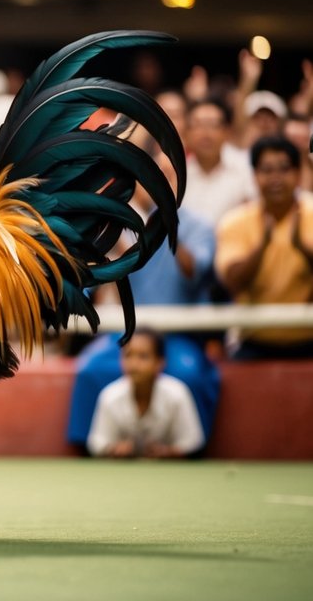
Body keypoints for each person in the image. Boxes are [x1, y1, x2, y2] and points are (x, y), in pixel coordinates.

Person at [68, 151, 220, 447]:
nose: (154, 184)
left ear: (177, 182)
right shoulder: (126, 222)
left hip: (178, 335)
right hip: (130, 332)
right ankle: (89, 446)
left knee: (188, 373)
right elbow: (103, 267)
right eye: (148, 177)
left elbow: (194, 272)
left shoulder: (199, 226)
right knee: (89, 368)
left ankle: (189, 448)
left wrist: (166, 220)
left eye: (163, 177)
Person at [215, 136, 313, 358]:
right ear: (254, 176)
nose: (275, 178)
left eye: (284, 169)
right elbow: (232, 282)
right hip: (255, 340)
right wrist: (263, 246)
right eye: (266, 170)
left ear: (298, 175)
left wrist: (302, 247)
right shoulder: (235, 221)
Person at [86, 329, 206, 459]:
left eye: (143, 356)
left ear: (160, 362)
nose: (134, 364)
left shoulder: (177, 394)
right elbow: (97, 445)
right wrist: (115, 449)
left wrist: (169, 452)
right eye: (128, 355)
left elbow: (192, 444)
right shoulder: (109, 396)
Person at [183, 99, 256, 227]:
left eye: (213, 125)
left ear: (227, 132)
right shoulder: (177, 173)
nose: (206, 133)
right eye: (198, 125)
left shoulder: (245, 166)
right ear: (187, 133)